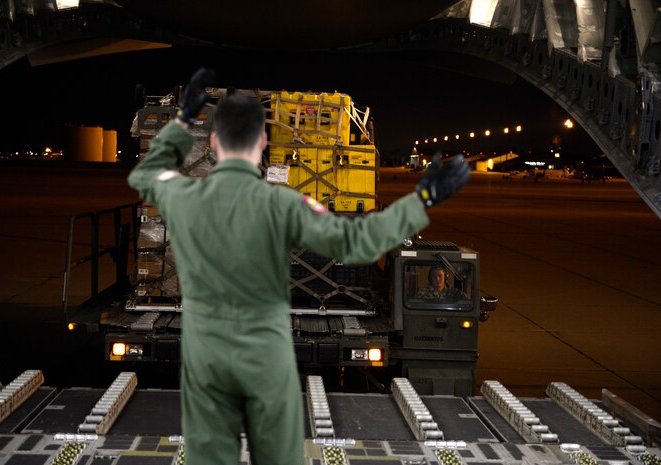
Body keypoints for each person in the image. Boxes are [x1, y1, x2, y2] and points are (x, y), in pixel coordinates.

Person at [127, 68, 470, 465]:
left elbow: (147, 175)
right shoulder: (283, 204)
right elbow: (357, 242)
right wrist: (422, 198)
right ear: (263, 142)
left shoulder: (185, 196)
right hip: (267, 359)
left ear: (216, 142)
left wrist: (182, 122)